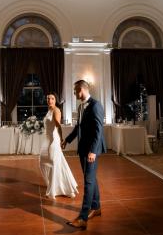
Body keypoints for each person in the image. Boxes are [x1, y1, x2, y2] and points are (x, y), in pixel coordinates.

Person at [62, 80, 106, 230]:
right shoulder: (81, 107)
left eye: (75, 91)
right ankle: (97, 207)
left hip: (90, 151)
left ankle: (82, 217)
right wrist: (67, 140)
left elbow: (98, 131)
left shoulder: (96, 105)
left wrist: (93, 150)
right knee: (91, 178)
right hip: (82, 149)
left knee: (88, 182)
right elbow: (78, 128)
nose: (74, 93)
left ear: (81, 89)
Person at [39, 92, 78, 199]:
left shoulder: (56, 110)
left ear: (55, 100)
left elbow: (58, 126)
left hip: (53, 140)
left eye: (52, 98)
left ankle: (55, 189)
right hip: (46, 139)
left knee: (53, 163)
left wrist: (61, 139)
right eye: (48, 98)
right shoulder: (49, 110)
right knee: (42, 161)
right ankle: (54, 184)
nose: (49, 100)